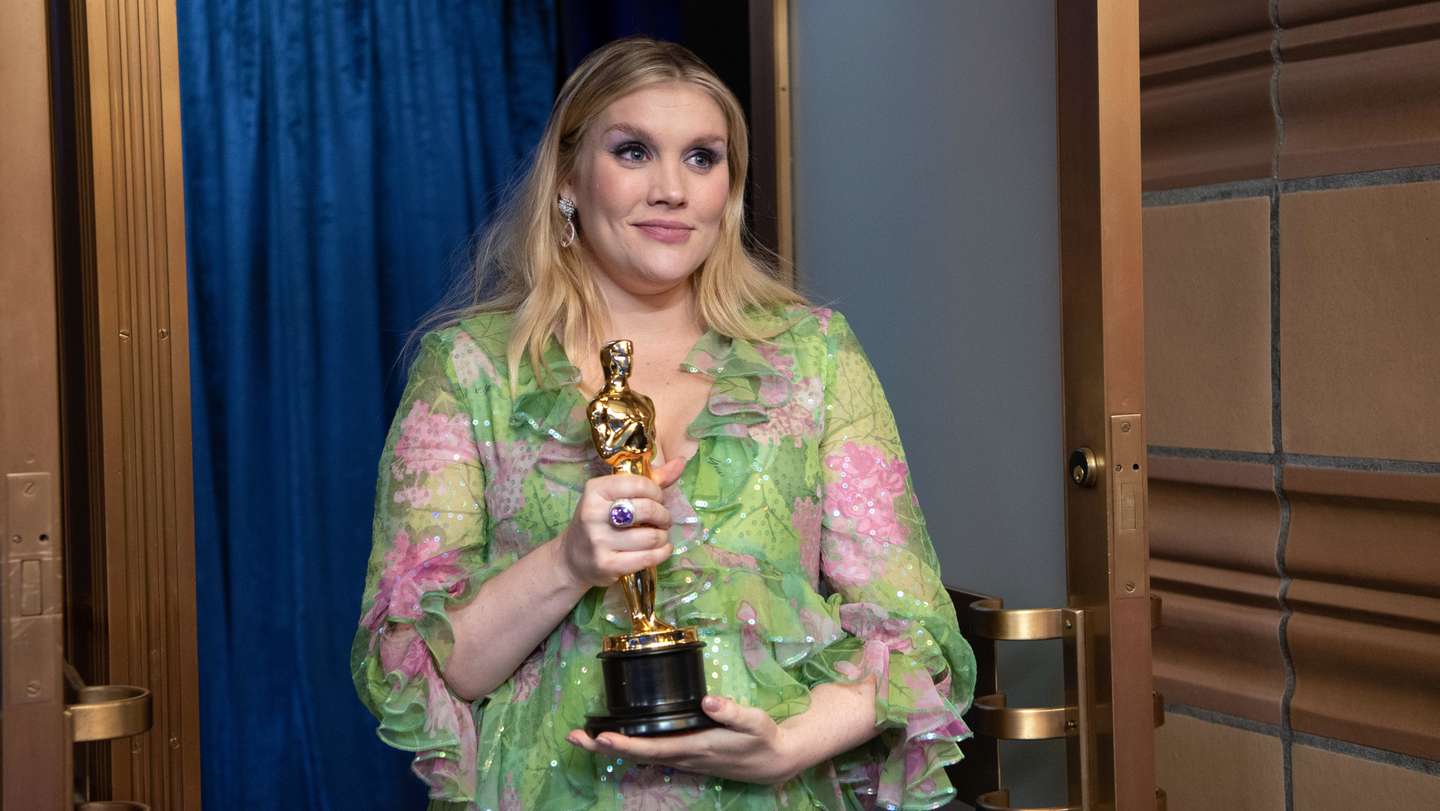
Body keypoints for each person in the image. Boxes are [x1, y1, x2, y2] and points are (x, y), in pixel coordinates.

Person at [352, 37, 975, 810]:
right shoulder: (473, 367)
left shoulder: (811, 354)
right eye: (635, 151)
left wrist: (786, 746)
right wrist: (569, 561)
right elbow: (422, 663)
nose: (672, 190)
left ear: (729, 190)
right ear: (569, 180)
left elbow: (912, 636)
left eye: (703, 158)